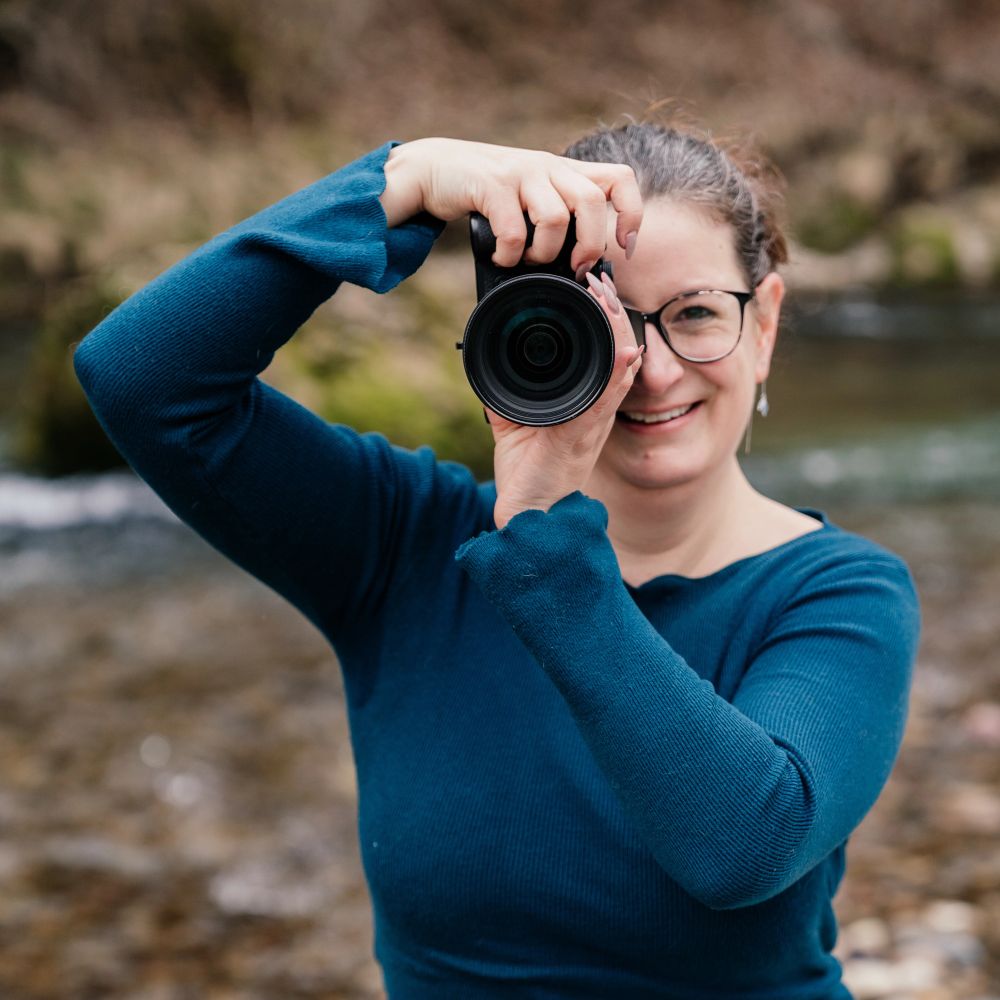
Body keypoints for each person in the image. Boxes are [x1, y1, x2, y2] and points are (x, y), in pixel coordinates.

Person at [74, 117, 921, 999]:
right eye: (608, 321)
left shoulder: (840, 594)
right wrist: (402, 182)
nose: (654, 370)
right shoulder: (402, 540)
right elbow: (140, 377)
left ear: (765, 324)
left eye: (697, 314)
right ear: (520, 325)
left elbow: (744, 846)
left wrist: (543, 537)